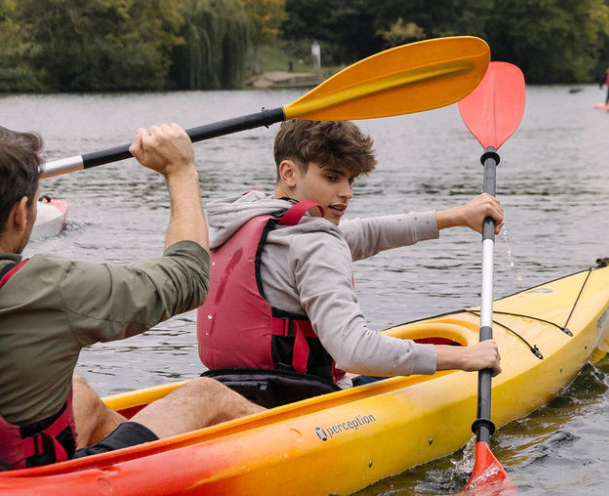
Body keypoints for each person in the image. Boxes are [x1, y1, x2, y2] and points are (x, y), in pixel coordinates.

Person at [0, 123, 262, 471]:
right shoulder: (50, 285)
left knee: (78, 391)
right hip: (26, 481)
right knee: (207, 395)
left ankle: (152, 473)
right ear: (20, 213)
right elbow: (188, 275)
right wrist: (180, 170)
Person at [196, 119, 503, 394]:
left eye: (351, 180)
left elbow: (368, 234)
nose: (347, 192)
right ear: (289, 172)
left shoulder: (248, 220)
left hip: (228, 386)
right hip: (301, 399)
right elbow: (352, 350)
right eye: (332, 178)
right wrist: (462, 357)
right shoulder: (312, 240)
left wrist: (458, 216)